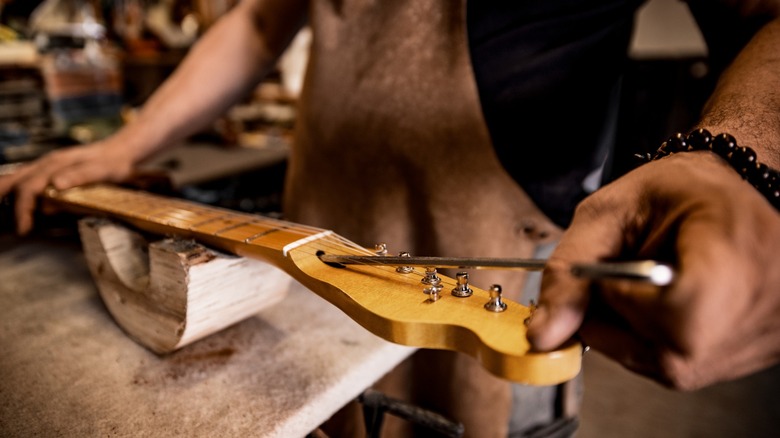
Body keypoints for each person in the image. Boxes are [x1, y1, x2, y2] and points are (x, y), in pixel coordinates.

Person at [2, 0, 779, 436]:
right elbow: (263, 22)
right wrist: (129, 144)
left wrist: (742, 155)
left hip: (499, 260)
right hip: (316, 241)